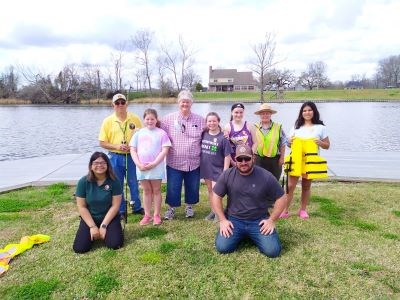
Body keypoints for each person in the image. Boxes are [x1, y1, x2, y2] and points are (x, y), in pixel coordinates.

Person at [211, 144, 287, 257]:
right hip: (234, 220)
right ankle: (244, 235)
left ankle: (252, 235)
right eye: (239, 159)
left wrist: (271, 220)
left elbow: (282, 197)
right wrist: (222, 220)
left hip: (258, 221)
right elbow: (216, 196)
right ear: (235, 159)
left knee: (273, 251)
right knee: (223, 247)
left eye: (247, 158)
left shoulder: (266, 176)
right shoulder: (227, 175)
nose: (243, 162)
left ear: (253, 158)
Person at [280, 101, 330, 219]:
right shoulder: (296, 127)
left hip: (310, 160)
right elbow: (288, 144)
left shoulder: (321, 128)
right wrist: (289, 142)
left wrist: (320, 143)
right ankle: (285, 210)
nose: (307, 112)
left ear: (314, 111)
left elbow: (327, 145)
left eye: (309, 110)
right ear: (301, 113)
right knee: (290, 186)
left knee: (306, 186)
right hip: (296, 160)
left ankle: (302, 210)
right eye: (304, 110)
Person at [160, 90, 206, 220]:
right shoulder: (168, 119)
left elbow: (210, 130)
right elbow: (158, 133)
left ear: (191, 103)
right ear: (178, 102)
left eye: (187, 102)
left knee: (192, 186)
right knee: (173, 186)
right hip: (174, 160)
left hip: (194, 161)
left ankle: (189, 207)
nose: (185, 104)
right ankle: (171, 209)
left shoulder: (200, 119)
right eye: (182, 102)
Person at [98, 93, 143, 217]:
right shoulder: (107, 121)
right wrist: (117, 146)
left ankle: (137, 207)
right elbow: (102, 142)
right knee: (117, 184)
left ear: (126, 104)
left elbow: (143, 137)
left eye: (122, 102)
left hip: (132, 156)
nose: (120, 105)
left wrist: (134, 146)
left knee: (133, 182)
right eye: (117, 103)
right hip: (115, 157)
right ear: (113, 105)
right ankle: (121, 210)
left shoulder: (135, 119)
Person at [73, 152, 123, 253]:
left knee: (115, 244)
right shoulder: (83, 182)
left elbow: (115, 206)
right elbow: (82, 207)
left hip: (110, 218)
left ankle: (110, 230)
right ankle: (94, 232)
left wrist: (104, 225)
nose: (99, 165)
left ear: (108, 165)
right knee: (80, 248)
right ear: (91, 166)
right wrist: (92, 226)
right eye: (96, 163)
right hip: (90, 218)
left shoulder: (114, 181)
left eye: (103, 163)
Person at [130, 108, 171, 226]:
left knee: (156, 190)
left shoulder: (161, 133)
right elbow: (133, 149)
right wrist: (138, 164)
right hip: (141, 167)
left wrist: (154, 163)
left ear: (156, 119)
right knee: (146, 191)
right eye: (147, 119)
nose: (150, 121)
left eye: (152, 119)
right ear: (144, 120)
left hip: (156, 167)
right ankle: (147, 215)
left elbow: (165, 150)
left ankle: (156, 215)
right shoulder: (138, 133)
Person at [200, 112, 232, 221]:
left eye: (214, 121)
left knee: (216, 192)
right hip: (206, 168)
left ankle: (219, 214)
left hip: (218, 169)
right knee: (210, 190)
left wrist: (225, 171)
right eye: (209, 121)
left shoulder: (223, 137)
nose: (212, 123)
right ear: (206, 122)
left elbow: (227, 156)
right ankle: (213, 211)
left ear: (218, 121)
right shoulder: (203, 134)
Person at [253, 103, 287, 181]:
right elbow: (251, 143)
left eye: (267, 113)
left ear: (270, 114)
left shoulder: (278, 127)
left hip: (274, 160)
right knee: (259, 181)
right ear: (259, 115)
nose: (265, 115)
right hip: (258, 159)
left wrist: (282, 158)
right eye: (262, 113)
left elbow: (283, 143)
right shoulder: (254, 127)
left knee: (274, 182)